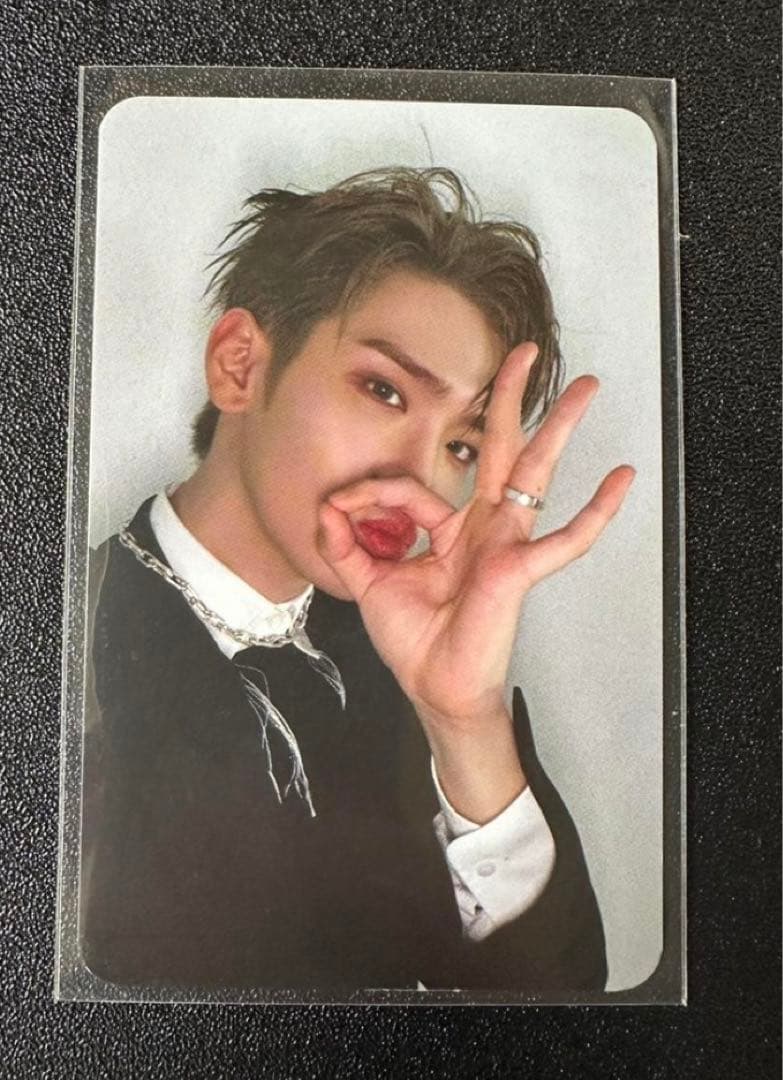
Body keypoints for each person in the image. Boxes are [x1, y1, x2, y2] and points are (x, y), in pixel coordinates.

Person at [80, 167, 634, 994]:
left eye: (460, 444)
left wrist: (466, 722)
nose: (421, 476)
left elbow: (569, 1022)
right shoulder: (63, 645)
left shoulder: (412, 669)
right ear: (239, 365)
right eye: (384, 390)